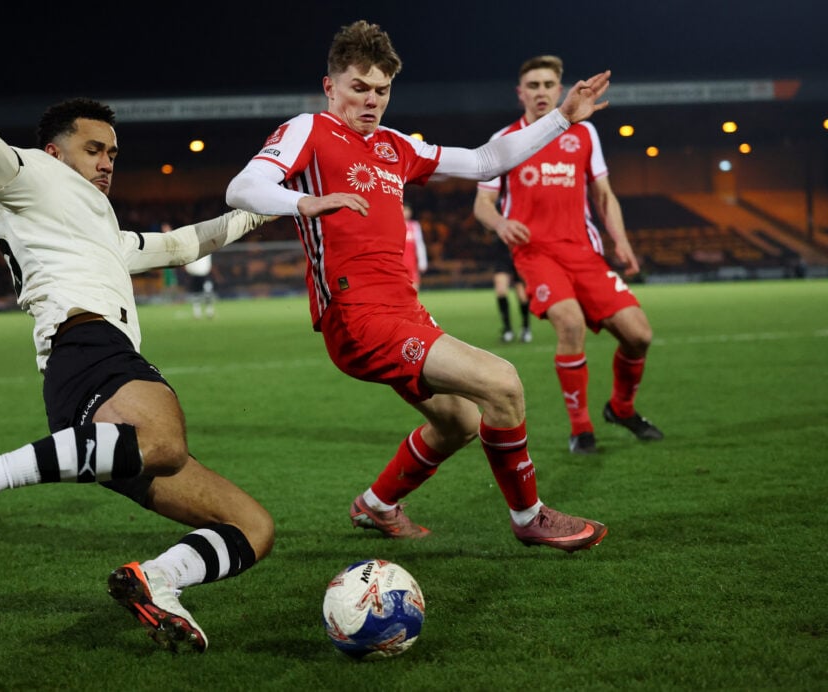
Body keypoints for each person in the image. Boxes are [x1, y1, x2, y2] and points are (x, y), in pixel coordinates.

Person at [0, 27, 275, 653]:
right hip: (86, 345)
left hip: (88, 382)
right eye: (93, 149)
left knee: (252, 525)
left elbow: (181, 245)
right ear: (54, 153)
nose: (107, 161)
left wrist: (273, 207)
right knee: (164, 440)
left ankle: (158, 580)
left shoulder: (96, 225)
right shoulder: (30, 177)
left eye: (112, 151)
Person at [226, 20, 611, 552]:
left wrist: (563, 117)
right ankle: (529, 517)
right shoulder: (308, 130)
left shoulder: (396, 146)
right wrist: (303, 201)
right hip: (358, 316)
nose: (371, 100)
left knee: (460, 422)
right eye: (359, 87)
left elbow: (486, 160)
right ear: (330, 86)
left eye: (382, 90)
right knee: (502, 382)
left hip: (405, 310)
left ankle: (376, 504)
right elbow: (242, 187)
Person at [473, 55, 664, 456]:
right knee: (570, 322)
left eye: (548, 85)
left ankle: (621, 409)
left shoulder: (584, 133)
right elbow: (482, 204)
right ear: (520, 93)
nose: (541, 92)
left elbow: (604, 194)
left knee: (639, 336)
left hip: (583, 251)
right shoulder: (505, 139)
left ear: (559, 90)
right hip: (535, 254)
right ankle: (581, 430)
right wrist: (501, 224)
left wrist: (621, 241)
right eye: (533, 85)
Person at [486, 234, 531, 343]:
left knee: (522, 295)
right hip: (503, 255)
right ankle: (507, 329)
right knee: (501, 290)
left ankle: (526, 328)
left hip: (519, 255)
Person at [402, 204, 428, 290]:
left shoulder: (415, 225)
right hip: (400, 260)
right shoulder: (396, 225)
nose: (406, 213)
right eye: (404, 210)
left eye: (408, 211)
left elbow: (419, 244)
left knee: (415, 282)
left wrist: (422, 261)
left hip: (411, 261)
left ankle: (414, 298)